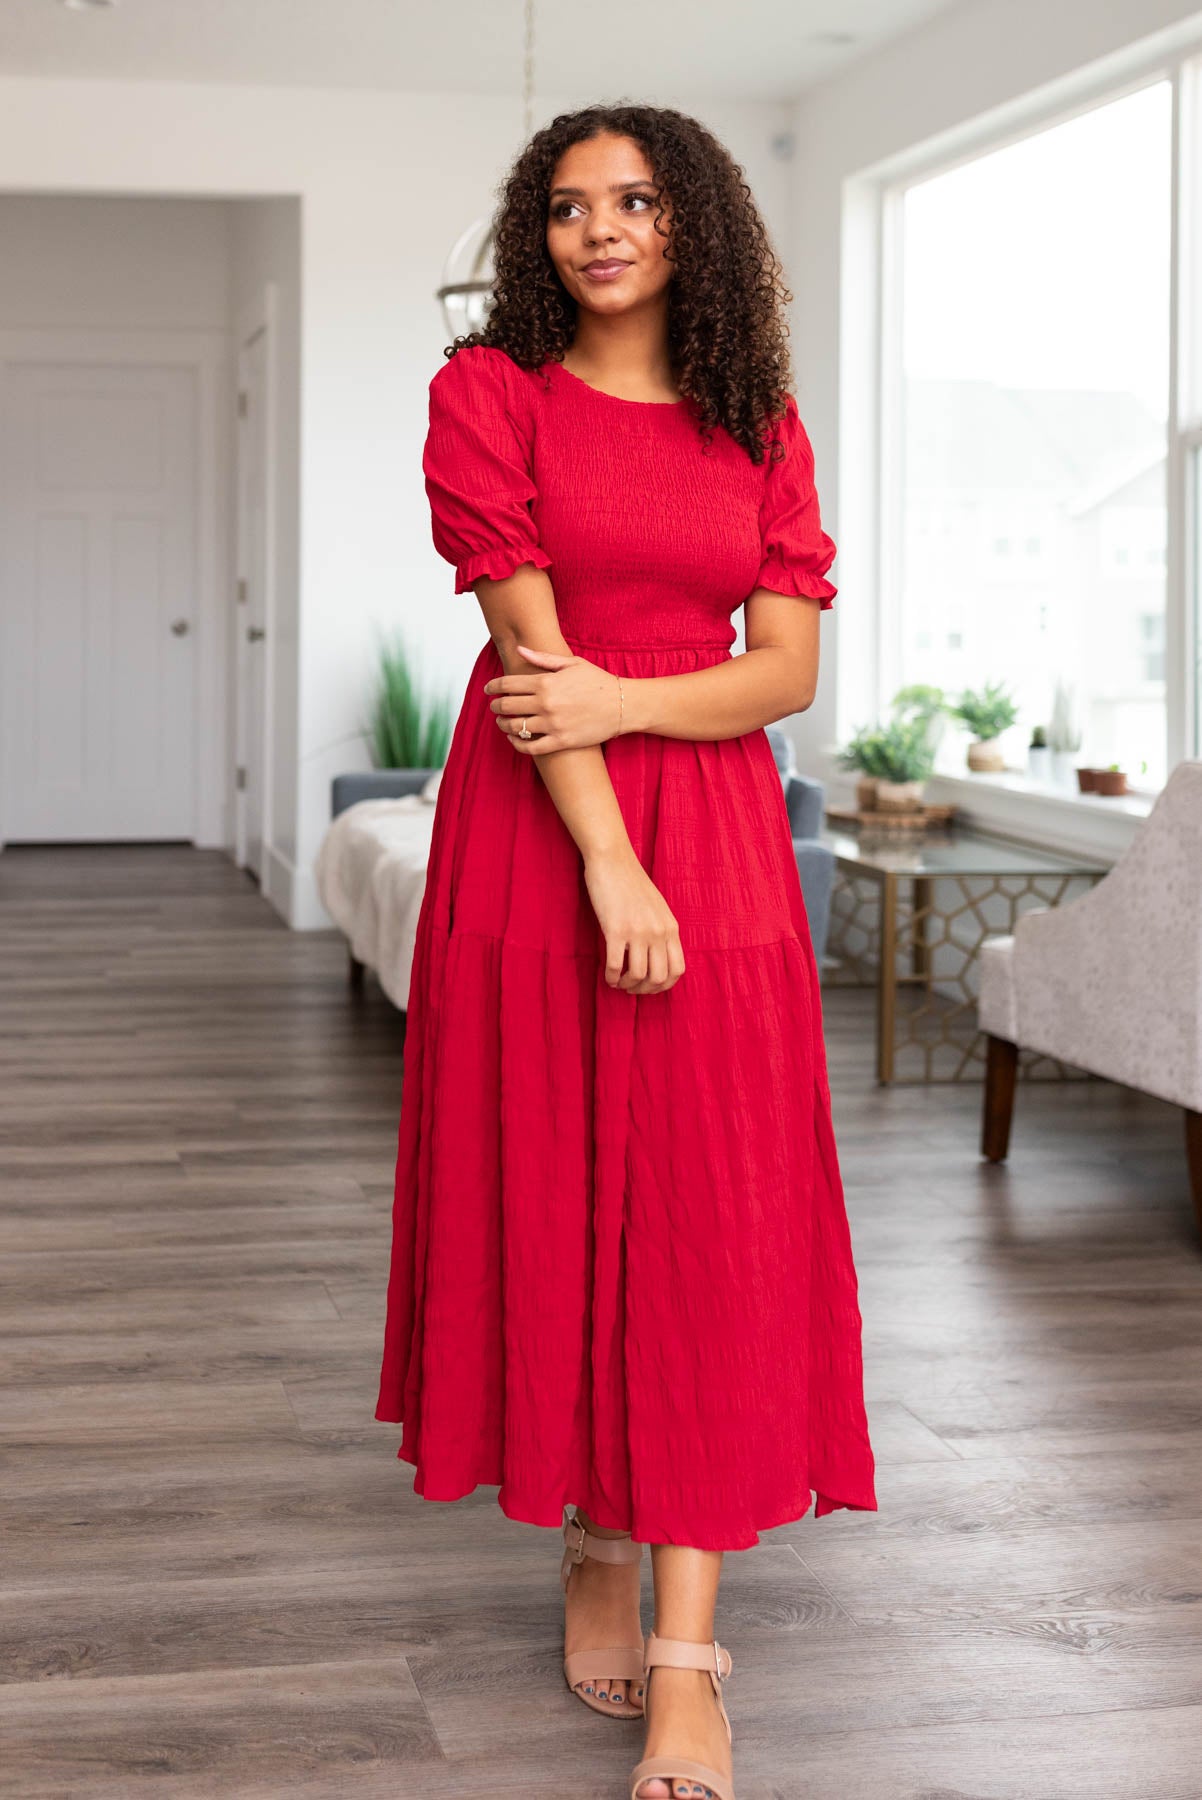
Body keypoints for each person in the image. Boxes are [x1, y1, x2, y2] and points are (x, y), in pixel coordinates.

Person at [375, 102, 877, 1800]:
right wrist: (608, 861)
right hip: (542, 828)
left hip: (717, 828)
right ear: (538, 235)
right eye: (569, 206)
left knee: (711, 1209)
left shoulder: (757, 423)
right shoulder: (488, 398)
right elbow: (529, 671)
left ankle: (687, 1655)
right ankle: (595, 1527)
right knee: (562, 1182)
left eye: (637, 201)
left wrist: (633, 703)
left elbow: (783, 672)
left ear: (694, 228)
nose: (600, 230)